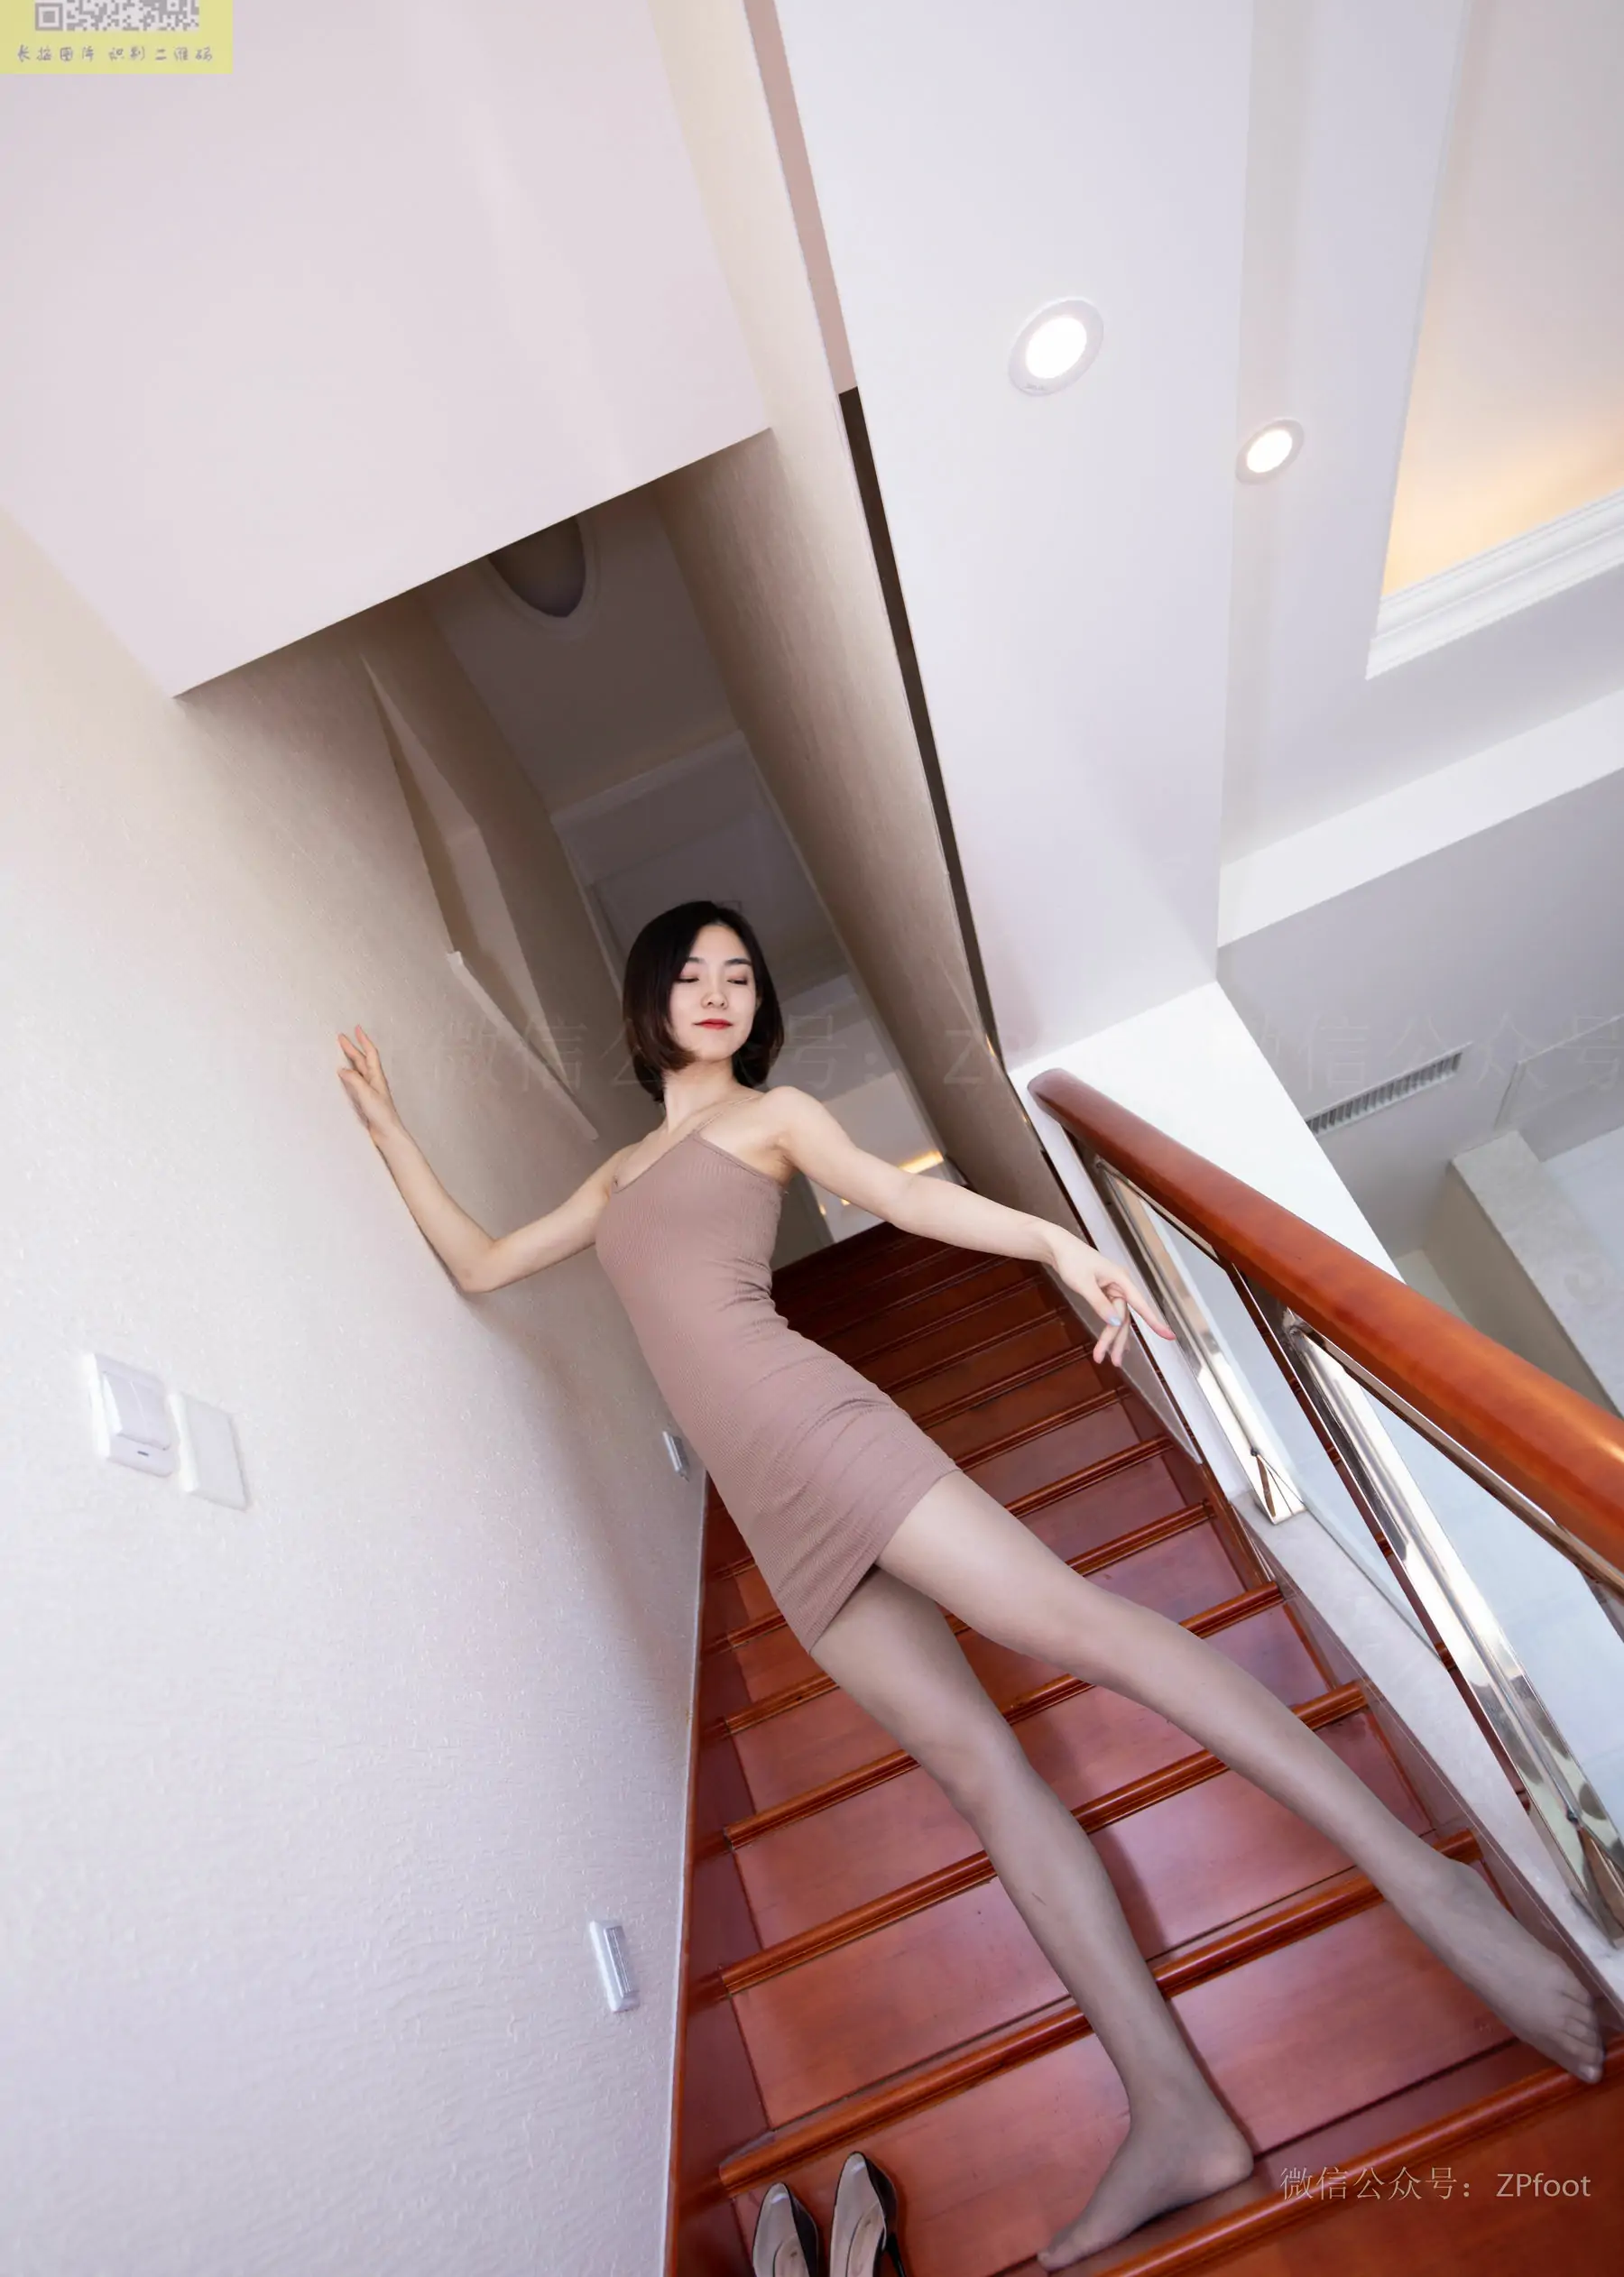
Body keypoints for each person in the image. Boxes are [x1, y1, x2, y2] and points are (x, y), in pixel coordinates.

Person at [337, 899, 1603, 2269]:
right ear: (650, 1002)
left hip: (826, 1429)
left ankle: (1428, 1886)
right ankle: (1175, 2112)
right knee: (980, 1774)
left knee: (1082, 1626)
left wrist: (1054, 1242)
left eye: (739, 975)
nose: (717, 990)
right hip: (770, 1515)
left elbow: (903, 1196)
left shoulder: (770, 1117)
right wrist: (388, 1125)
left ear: (757, 1010)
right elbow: (482, 1263)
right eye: (692, 972)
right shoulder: (618, 1180)